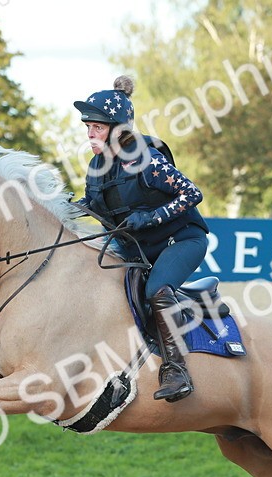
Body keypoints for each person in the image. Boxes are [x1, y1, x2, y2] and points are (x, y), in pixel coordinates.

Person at [73, 75, 209, 403]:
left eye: (97, 127)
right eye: (88, 127)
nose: (90, 134)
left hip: (180, 241)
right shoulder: (97, 166)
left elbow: (193, 193)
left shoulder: (148, 160)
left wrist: (150, 217)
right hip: (138, 248)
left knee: (156, 291)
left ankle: (176, 370)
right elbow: (91, 205)